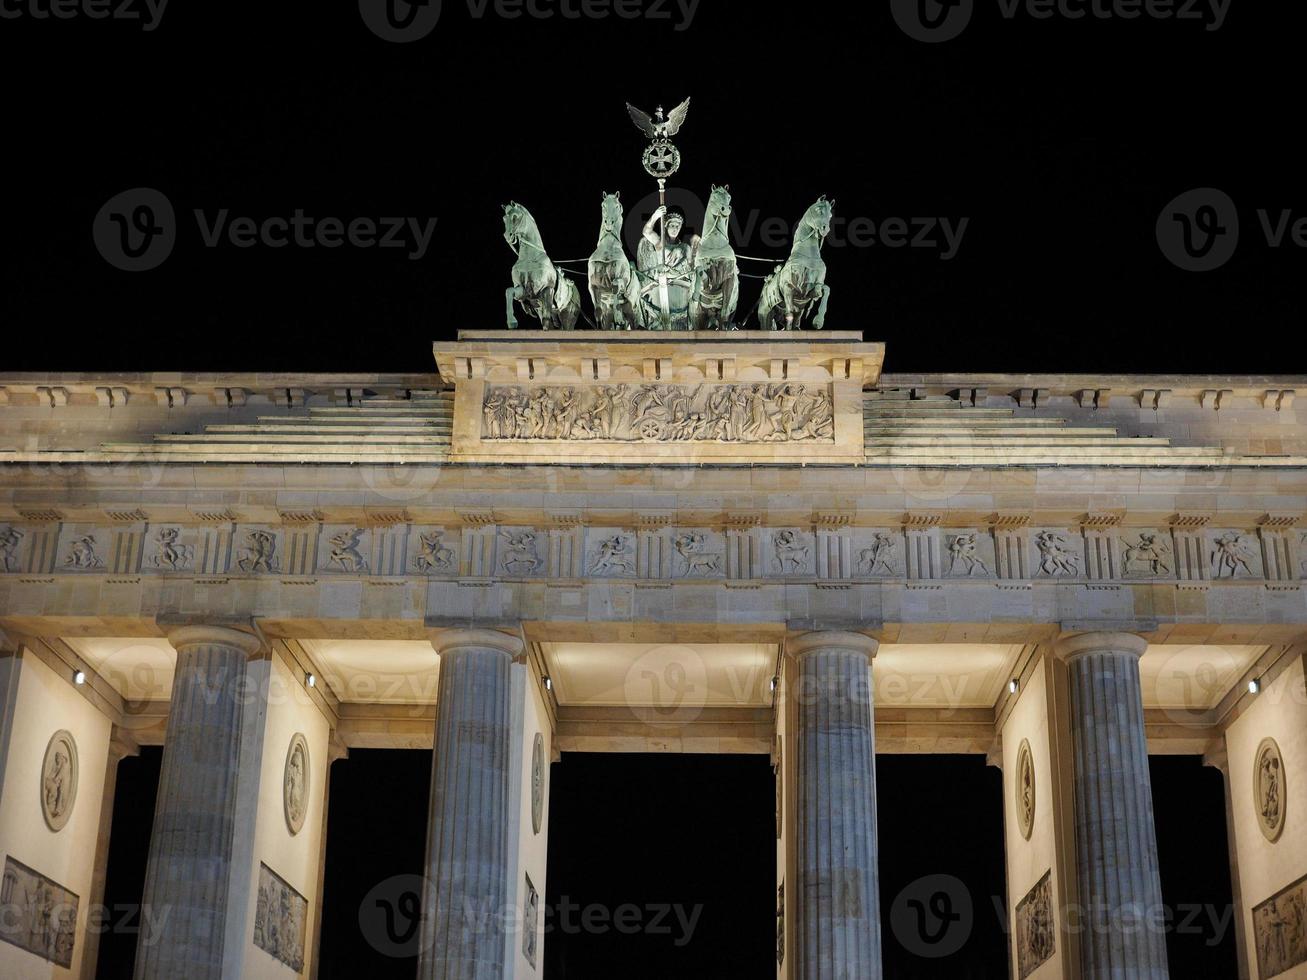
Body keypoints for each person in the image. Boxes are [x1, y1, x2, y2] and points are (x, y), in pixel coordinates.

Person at [637, 205, 699, 328]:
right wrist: (656, 215)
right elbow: (646, 232)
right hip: (659, 287)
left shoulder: (685, 248)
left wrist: (684, 248)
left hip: (681, 289)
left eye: (678, 226)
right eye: (672, 225)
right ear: (665, 226)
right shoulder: (660, 244)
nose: (675, 229)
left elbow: (693, 266)